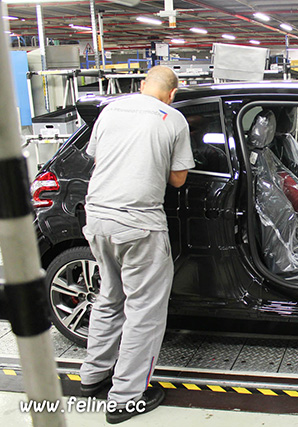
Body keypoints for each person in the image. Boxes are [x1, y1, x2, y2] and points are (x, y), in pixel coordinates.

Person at [79, 65, 195, 424]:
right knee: (145, 311)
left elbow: (99, 157)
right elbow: (178, 179)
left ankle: (92, 375)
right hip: (138, 224)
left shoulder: (111, 109)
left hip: (97, 219)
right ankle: (126, 397)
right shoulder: (173, 118)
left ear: (142, 85)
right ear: (172, 93)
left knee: (110, 297)